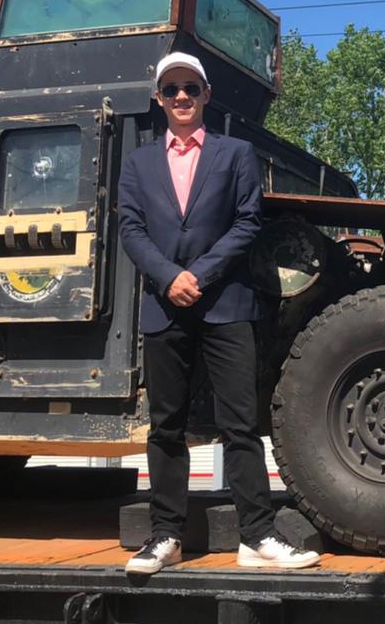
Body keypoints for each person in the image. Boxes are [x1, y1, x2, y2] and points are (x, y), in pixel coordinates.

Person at [117, 51, 319, 574]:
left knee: (240, 424)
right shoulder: (138, 163)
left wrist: (198, 275)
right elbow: (130, 229)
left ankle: (257, 537)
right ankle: (166, 536)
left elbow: (248, 222)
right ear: (159, 99)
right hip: (164, 306)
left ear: (206, 95)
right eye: (171, 89)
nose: (181, 96)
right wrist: (169, 277)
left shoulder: (236, 154)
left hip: (226, 304)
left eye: (191, 87)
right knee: (166, 426)